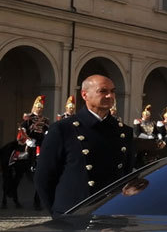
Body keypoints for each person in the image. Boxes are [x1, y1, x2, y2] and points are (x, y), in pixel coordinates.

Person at [34, 74, 134, 217]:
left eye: (112, 91)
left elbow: (127, 174)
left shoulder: (124, 132)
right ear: (84, 95)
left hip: (112, 214)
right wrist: (58, 213)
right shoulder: (63, 129)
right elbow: (43, 177)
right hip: (74, 215)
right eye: (103, 91)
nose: (110, 96)